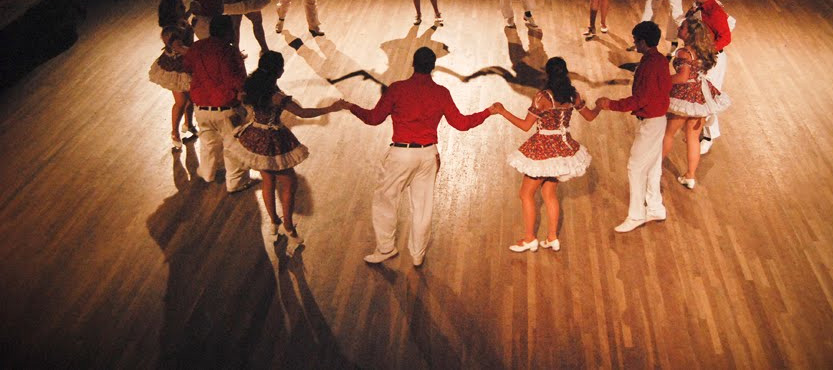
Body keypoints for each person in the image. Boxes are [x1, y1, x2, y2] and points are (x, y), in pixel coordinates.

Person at [346, 47, 497, 267]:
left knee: (385, 202)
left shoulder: (397, 89)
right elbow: (461, 124)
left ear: (413, 63)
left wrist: (350, 106)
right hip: (429, 155)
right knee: (423, 207)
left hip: (400, 154)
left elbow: (374, 118)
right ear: (433, 66)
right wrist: (488, 112)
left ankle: (386, 248)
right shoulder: (442, 93)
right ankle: (417, 254)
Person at [233, 51, 348, 255]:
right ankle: (289, 227)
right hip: (273, 139)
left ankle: (274, 224)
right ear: (278, 71)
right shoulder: (276, 96)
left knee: (268, 181)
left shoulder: (250, 85)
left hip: (254, 135)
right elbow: (303, 113)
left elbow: (240, 100)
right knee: (289, 183)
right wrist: (331, 108)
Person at [493, 57, 600, 252]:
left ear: (547, 73)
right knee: (549, 193)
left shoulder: (543, 98)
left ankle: (529, 238)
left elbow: (525, 126)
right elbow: (590, 116)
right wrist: (600, 106)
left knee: (525, 194)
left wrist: (502, 111)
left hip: (542, 149)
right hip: (563, 150)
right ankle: (552, 237)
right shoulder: (573, 95)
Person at [598, 21, 672, 233]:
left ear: (642, 41)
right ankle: (655, 207)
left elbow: (640, 99)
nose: (633, 43)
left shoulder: (649, 65)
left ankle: (637, 214)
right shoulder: (659, 60)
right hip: (658, 120)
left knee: (636, 167)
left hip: (651, 122)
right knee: (653, 166)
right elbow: (664, 88)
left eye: (635, 40)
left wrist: (610, 104)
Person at [182, 15, 256, 193]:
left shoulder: (197, 47)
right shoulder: (228, 51)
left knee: (208, 143)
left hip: (201, 107)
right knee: (233, 147)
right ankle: (236, 182)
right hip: (226, 109)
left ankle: (207, 173)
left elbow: (186, 66)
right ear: (226, 32)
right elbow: (236, 80)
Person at [662, 17, 731, 189]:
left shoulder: (683, 52)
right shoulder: (702, 50)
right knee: (693, 137)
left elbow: (682, 77)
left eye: (683, 27)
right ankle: (690, 176)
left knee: (668, 134)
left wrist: (661, 81)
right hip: (701, 96)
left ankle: (654, 167)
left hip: (685, 95)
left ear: (690, 34)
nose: (679, 27)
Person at [686, 0, 733, 155]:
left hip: (713, 59)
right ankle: (700, 129)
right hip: (702, 56)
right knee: (700, 94)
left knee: (708, 97)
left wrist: (707, 52)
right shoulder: (699, 6)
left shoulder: (716, 13)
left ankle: (708, 136)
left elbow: (726, 38)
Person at [148, 0, 196, 150]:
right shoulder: (170, 32)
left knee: (191, 98)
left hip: (186, 64)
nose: (183, 7)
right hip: (176, 69)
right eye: (180, 6)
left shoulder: (180, 22)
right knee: (181, 101)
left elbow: (184, 24)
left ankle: (188, 124)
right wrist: (201, 52)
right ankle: (174, 132)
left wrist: (190, 14)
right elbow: (180, 48)